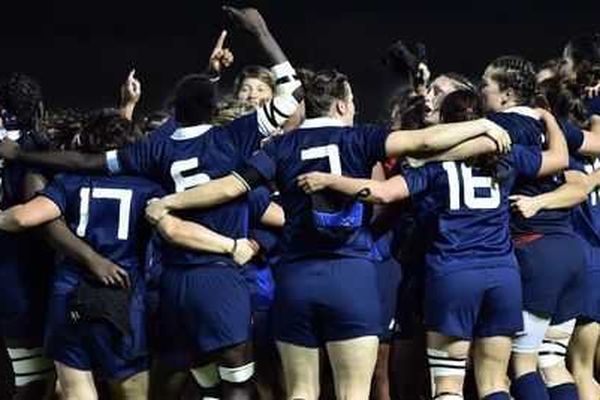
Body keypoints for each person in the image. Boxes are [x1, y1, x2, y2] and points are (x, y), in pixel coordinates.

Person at [144, 67, 511, 400]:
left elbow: (230, 187)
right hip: (351, 275)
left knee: (301, 391)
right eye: (350, 100)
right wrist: (484, 125)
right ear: (339, 105)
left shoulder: (280, 147)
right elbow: (427, 142)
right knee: (353, 393)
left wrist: (170, 202)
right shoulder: (360, 138)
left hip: (296, 279)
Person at [295, 91, 567, 400]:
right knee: (494, 381)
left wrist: (332, 181)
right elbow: (560, 159)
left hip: (453, 274)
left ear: (447, 123)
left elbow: (382, 193)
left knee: (449, 385)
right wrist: (549, 118)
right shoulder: (506, 154)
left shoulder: (428, 165)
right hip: (503, 275)